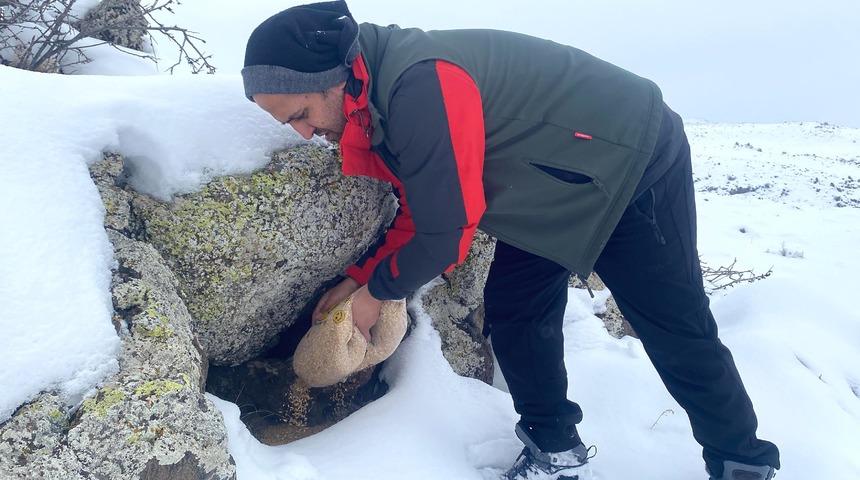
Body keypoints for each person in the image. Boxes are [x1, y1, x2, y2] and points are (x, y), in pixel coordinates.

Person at [240, 2, 781, 479]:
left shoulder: (419, 84)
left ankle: (742, 460)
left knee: (670, 320)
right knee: (517, 308)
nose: (304, 133)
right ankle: (554, 449)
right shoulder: (370, 99)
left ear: (333, 77)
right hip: (549, 182)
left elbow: (447, 229)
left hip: (629, 159)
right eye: (289, 124)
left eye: (303, 115)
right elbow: (424, 209)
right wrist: (363, 277)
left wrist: (376, 293)